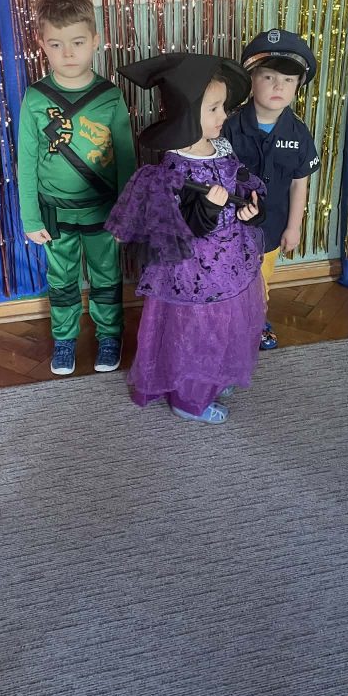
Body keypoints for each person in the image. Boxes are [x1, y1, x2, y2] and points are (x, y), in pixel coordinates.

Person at [106, 53, 266, 424]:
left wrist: (251, 209)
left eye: (223, 106)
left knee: (224, 325)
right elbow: (177, 226)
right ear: (186, 114)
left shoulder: (221, 148)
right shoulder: (173, 170)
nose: (223, 115)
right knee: (196, 331)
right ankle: (189, 398)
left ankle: (215, 375)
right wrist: (207, 209)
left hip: (230, 262)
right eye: (213, 109)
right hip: (193, 273)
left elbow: (244, 185)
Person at [18, 0, 136, 376]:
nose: (68, 54)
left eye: (78, 42)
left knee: (106, 276)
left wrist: (127, 214)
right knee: (61, 279)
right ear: (42, 45)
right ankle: (64, 338)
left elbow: (127, 161)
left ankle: (110, 335)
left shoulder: (110, 97)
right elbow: (26, 163)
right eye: (56, 44)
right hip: (55, 213)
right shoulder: (36, 99)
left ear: (96, 41)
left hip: (104, 211)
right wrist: (31, 218)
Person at [223, 29, 320, 350]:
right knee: (230, 276)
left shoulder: (299, 133)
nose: (279, 86)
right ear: (251, 80)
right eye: (269, 77)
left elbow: (299, 182)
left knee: (261, 280)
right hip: (232, 228)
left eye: (288, 80)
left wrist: (294, 227)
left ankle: (256, 321)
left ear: (298, 85)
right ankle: (230, 323)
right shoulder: (228, 126)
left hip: (272, 227)